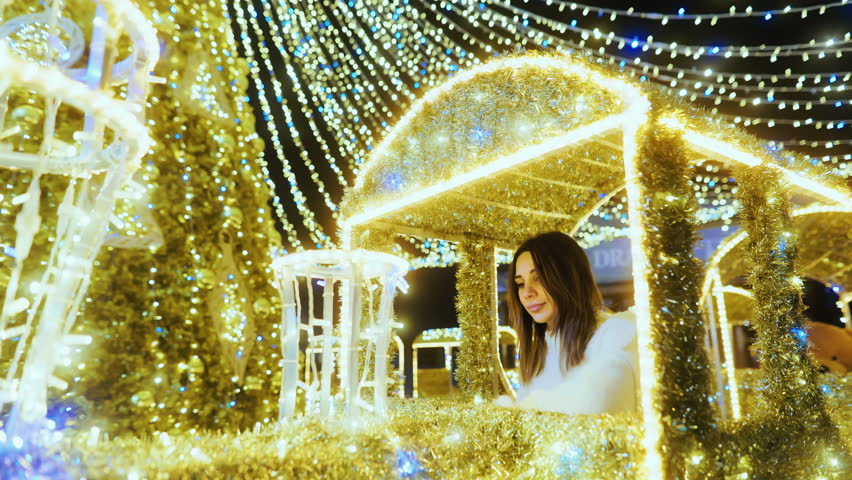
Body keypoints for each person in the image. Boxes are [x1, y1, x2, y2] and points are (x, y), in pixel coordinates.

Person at [495, 231, 638, 415]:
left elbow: (599, 412)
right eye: (520, 283)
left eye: (538, 278)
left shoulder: (616, 334)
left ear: (568, 277)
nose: (527, 292)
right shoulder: (537, 351)